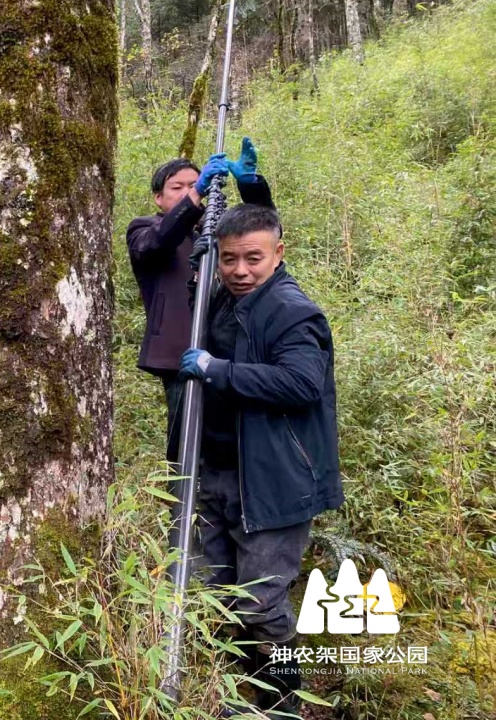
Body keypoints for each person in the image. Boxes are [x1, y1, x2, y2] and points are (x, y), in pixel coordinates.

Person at [177, 203, 345, 716]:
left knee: (260, 602)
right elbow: (209, 322)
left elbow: (301, 382)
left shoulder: (292, 311)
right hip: (216, 471)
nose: (240, 270)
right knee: (214, 594)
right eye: (229, 259)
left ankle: (283, 704)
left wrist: (217, 370)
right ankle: (236, 696)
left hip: (272, 482)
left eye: (253, 258)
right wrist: (199, 276)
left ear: (278, 253)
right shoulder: (225, 297)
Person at [126, 139, 273, 462]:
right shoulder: (145, 229)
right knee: (184, 442)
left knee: (229, 440)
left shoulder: (217, 230)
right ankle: (179, 495)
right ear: (158, 197)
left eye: (194, 184)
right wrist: (195, 194)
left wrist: (250, 186)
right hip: (180, 353)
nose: (189, 191)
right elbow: (158, 242)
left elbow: (263, 233)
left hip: (227, 352)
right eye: (177, 187)